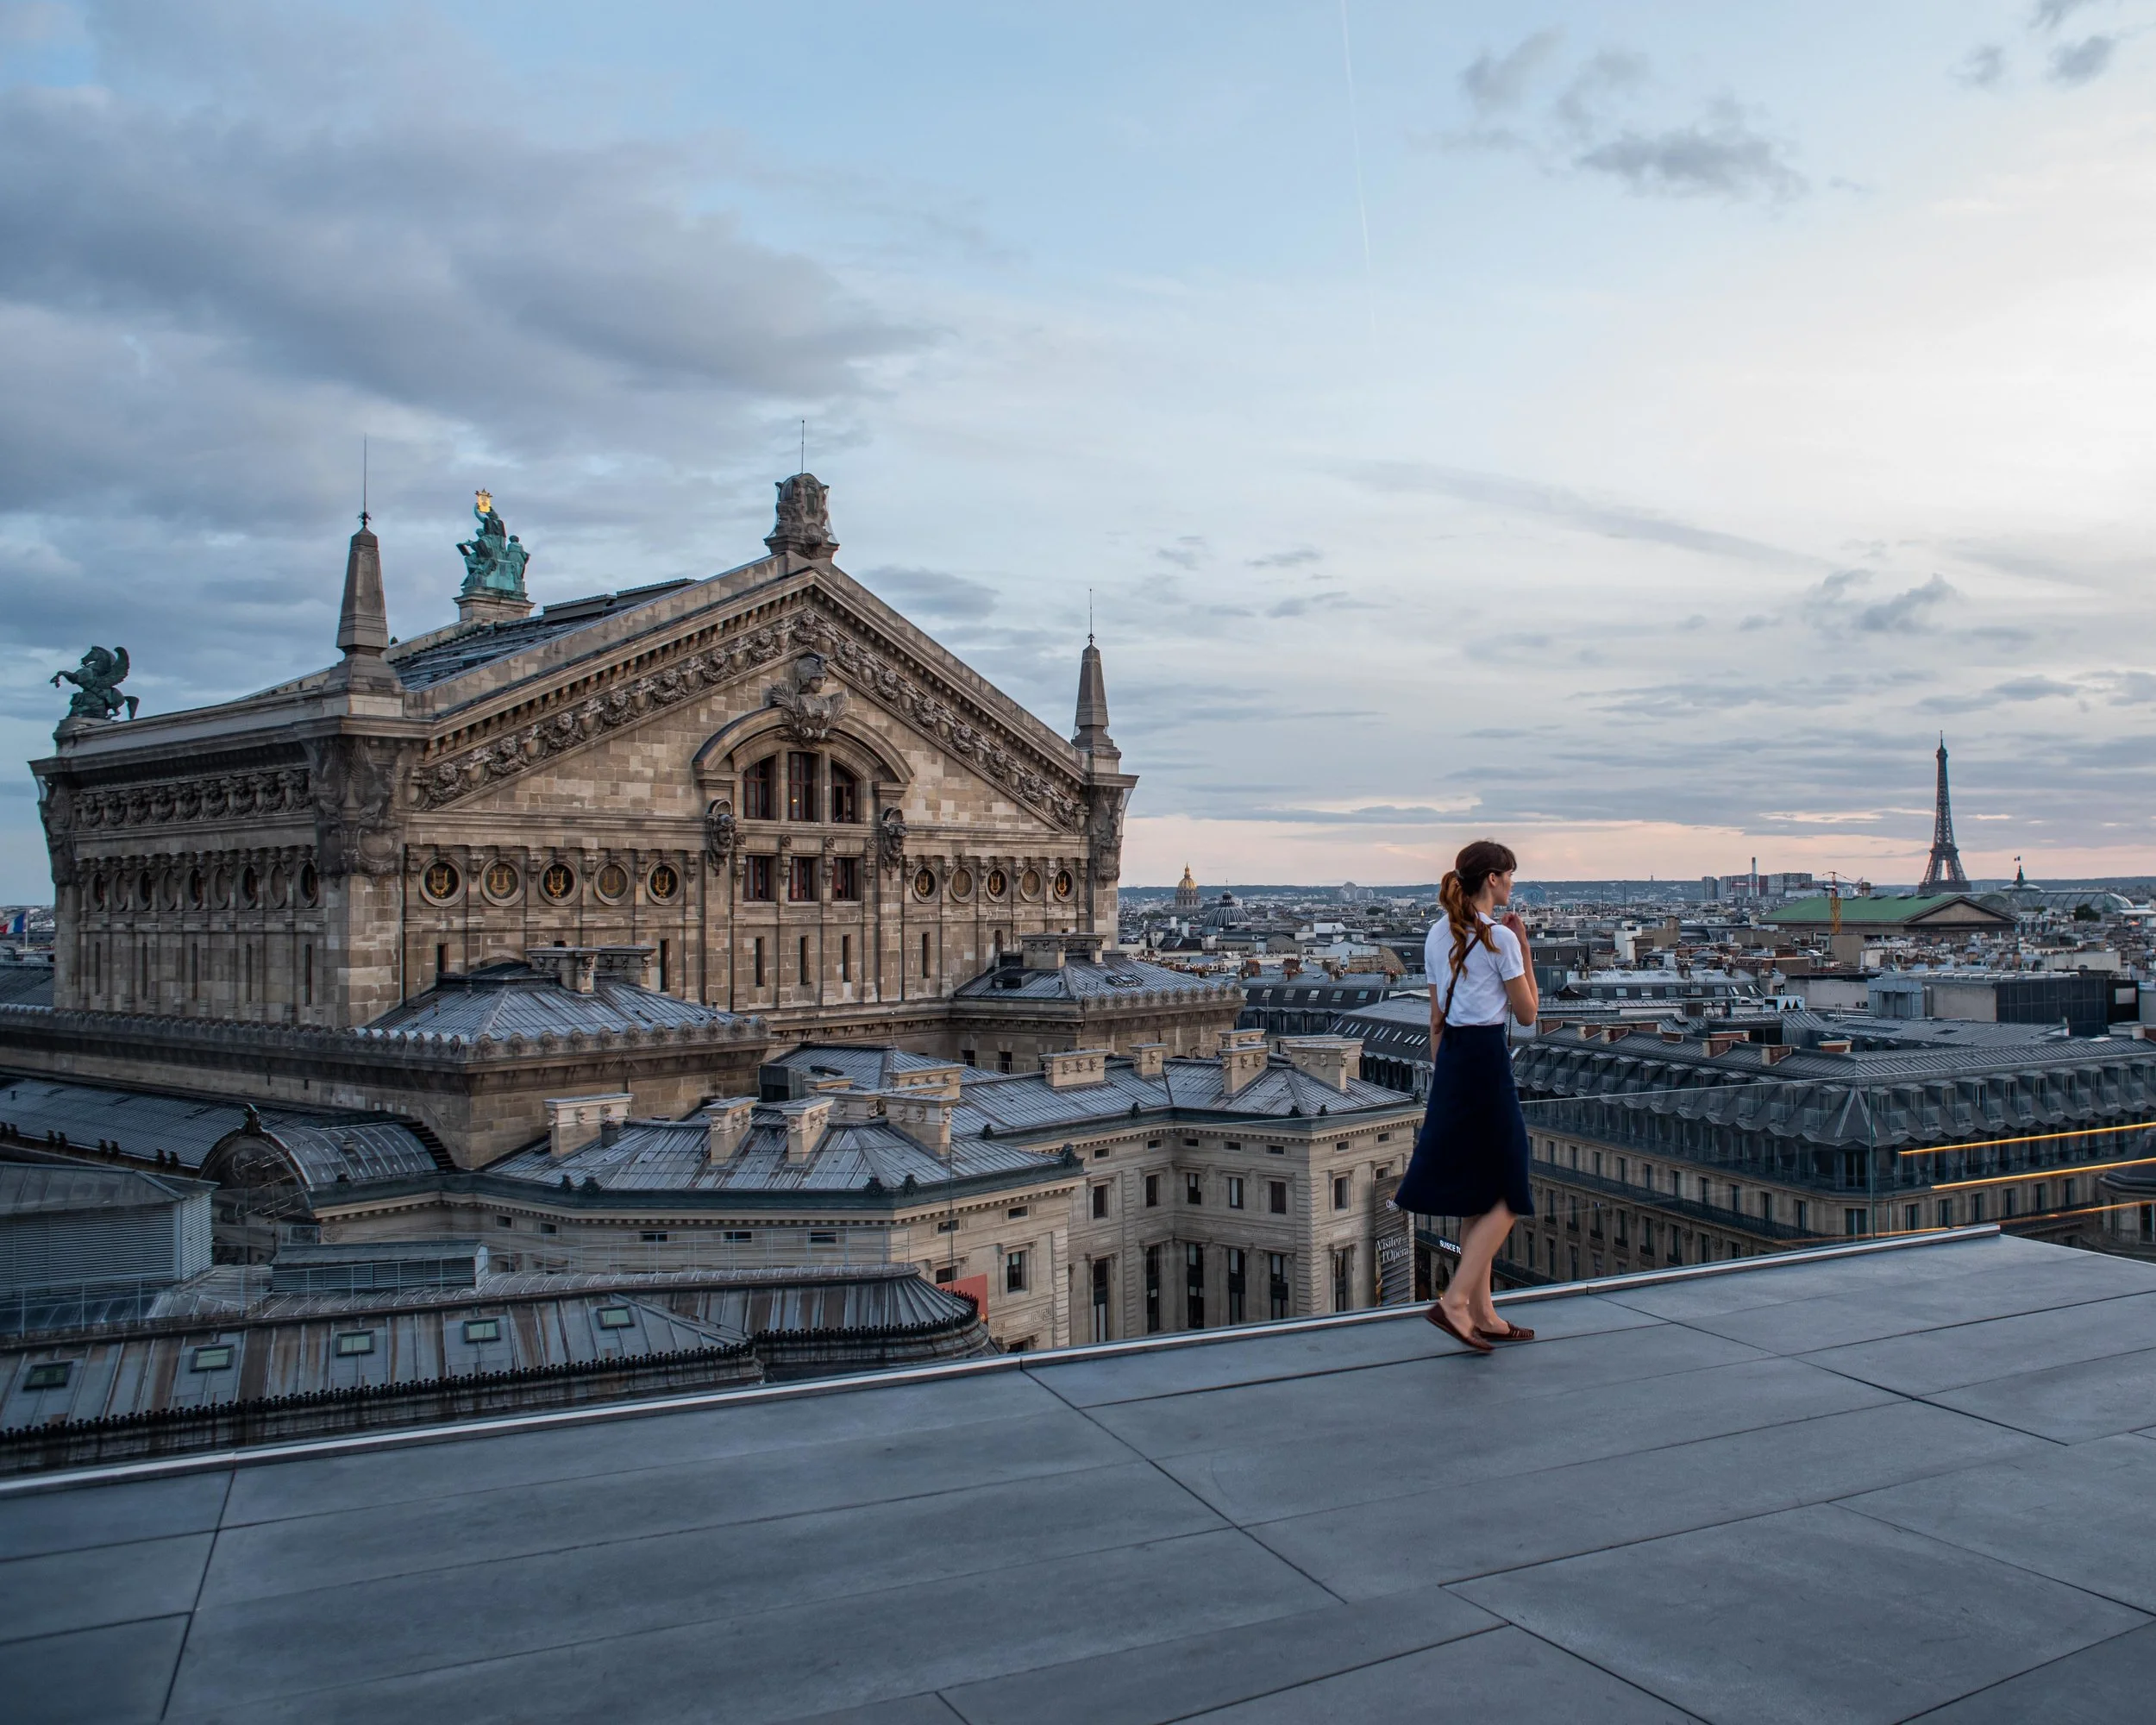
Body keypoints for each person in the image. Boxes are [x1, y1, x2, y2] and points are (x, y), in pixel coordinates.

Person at [1394, 839, 1539, 1353]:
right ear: (1493, 880)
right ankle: (1455, 1301)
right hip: (1484, 1057)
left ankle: (1483, 1311)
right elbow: (1527, 1014)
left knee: (1476, 1187)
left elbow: (1436, 1017)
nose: (1513, 885)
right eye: (1510, 876)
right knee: (1509, 1183)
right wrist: (1524, 949)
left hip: (1451, 1059)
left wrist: (1446, 1076)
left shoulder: (1437, 934)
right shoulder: (1498, 937)